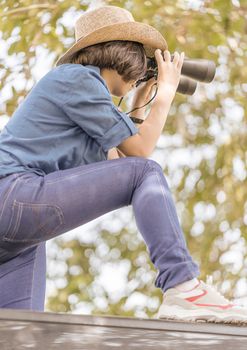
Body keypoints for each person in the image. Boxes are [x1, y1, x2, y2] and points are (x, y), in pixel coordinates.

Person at [0, 5, 246, 324]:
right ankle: (184, 287)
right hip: (14, 195)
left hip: (17, 230)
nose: (141, 71)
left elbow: (122, 160)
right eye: (141, 61)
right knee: (148, 172)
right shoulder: (77, 78)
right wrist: (166, 91)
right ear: (124, 54)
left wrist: (141, 98)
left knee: (21, 333)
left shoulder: (83, 98)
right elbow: (141, 159)